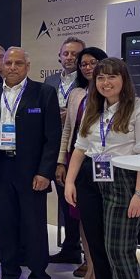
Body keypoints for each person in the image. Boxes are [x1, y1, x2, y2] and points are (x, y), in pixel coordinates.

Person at [65, 58, 140, 279]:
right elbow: (80, 148)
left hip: (124, 184)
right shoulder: (94, 109)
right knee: (98, 247)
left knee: (119, 250)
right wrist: (70, 181)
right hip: (91, 182)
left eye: (112, 77)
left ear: (124, 79)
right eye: (101, 78)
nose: (106, 83)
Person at [0, 47, 60, 279]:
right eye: (8, 62)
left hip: (30, 172)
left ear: (27, 67)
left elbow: (52, 138)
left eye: (17, 63)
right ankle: (9, 276)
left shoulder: (44, 93)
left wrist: (45, 172)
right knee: (5, 225)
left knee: (34, 228)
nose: (11, 67)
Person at [55, 47, 109, 279]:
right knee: (83, 221)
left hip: (101, 162)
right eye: (83, 64)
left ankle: (100, 276)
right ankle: (90, 270)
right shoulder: (77, 93)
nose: (88, 67)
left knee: (99, 221)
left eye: (93, 62)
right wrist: (61, 162)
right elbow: (68, 130)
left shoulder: (109, 92)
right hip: (74, 159)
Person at [46, 37, 86, 267]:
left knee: (77, 202)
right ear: (59, 56)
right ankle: (70, 247)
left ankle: (83, 252)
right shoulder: (50, 80)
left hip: (76, 146)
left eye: (75, 54)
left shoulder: (87, 82)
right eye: (66, 53)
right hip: (53, 146)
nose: (70, 58)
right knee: (63, 200)